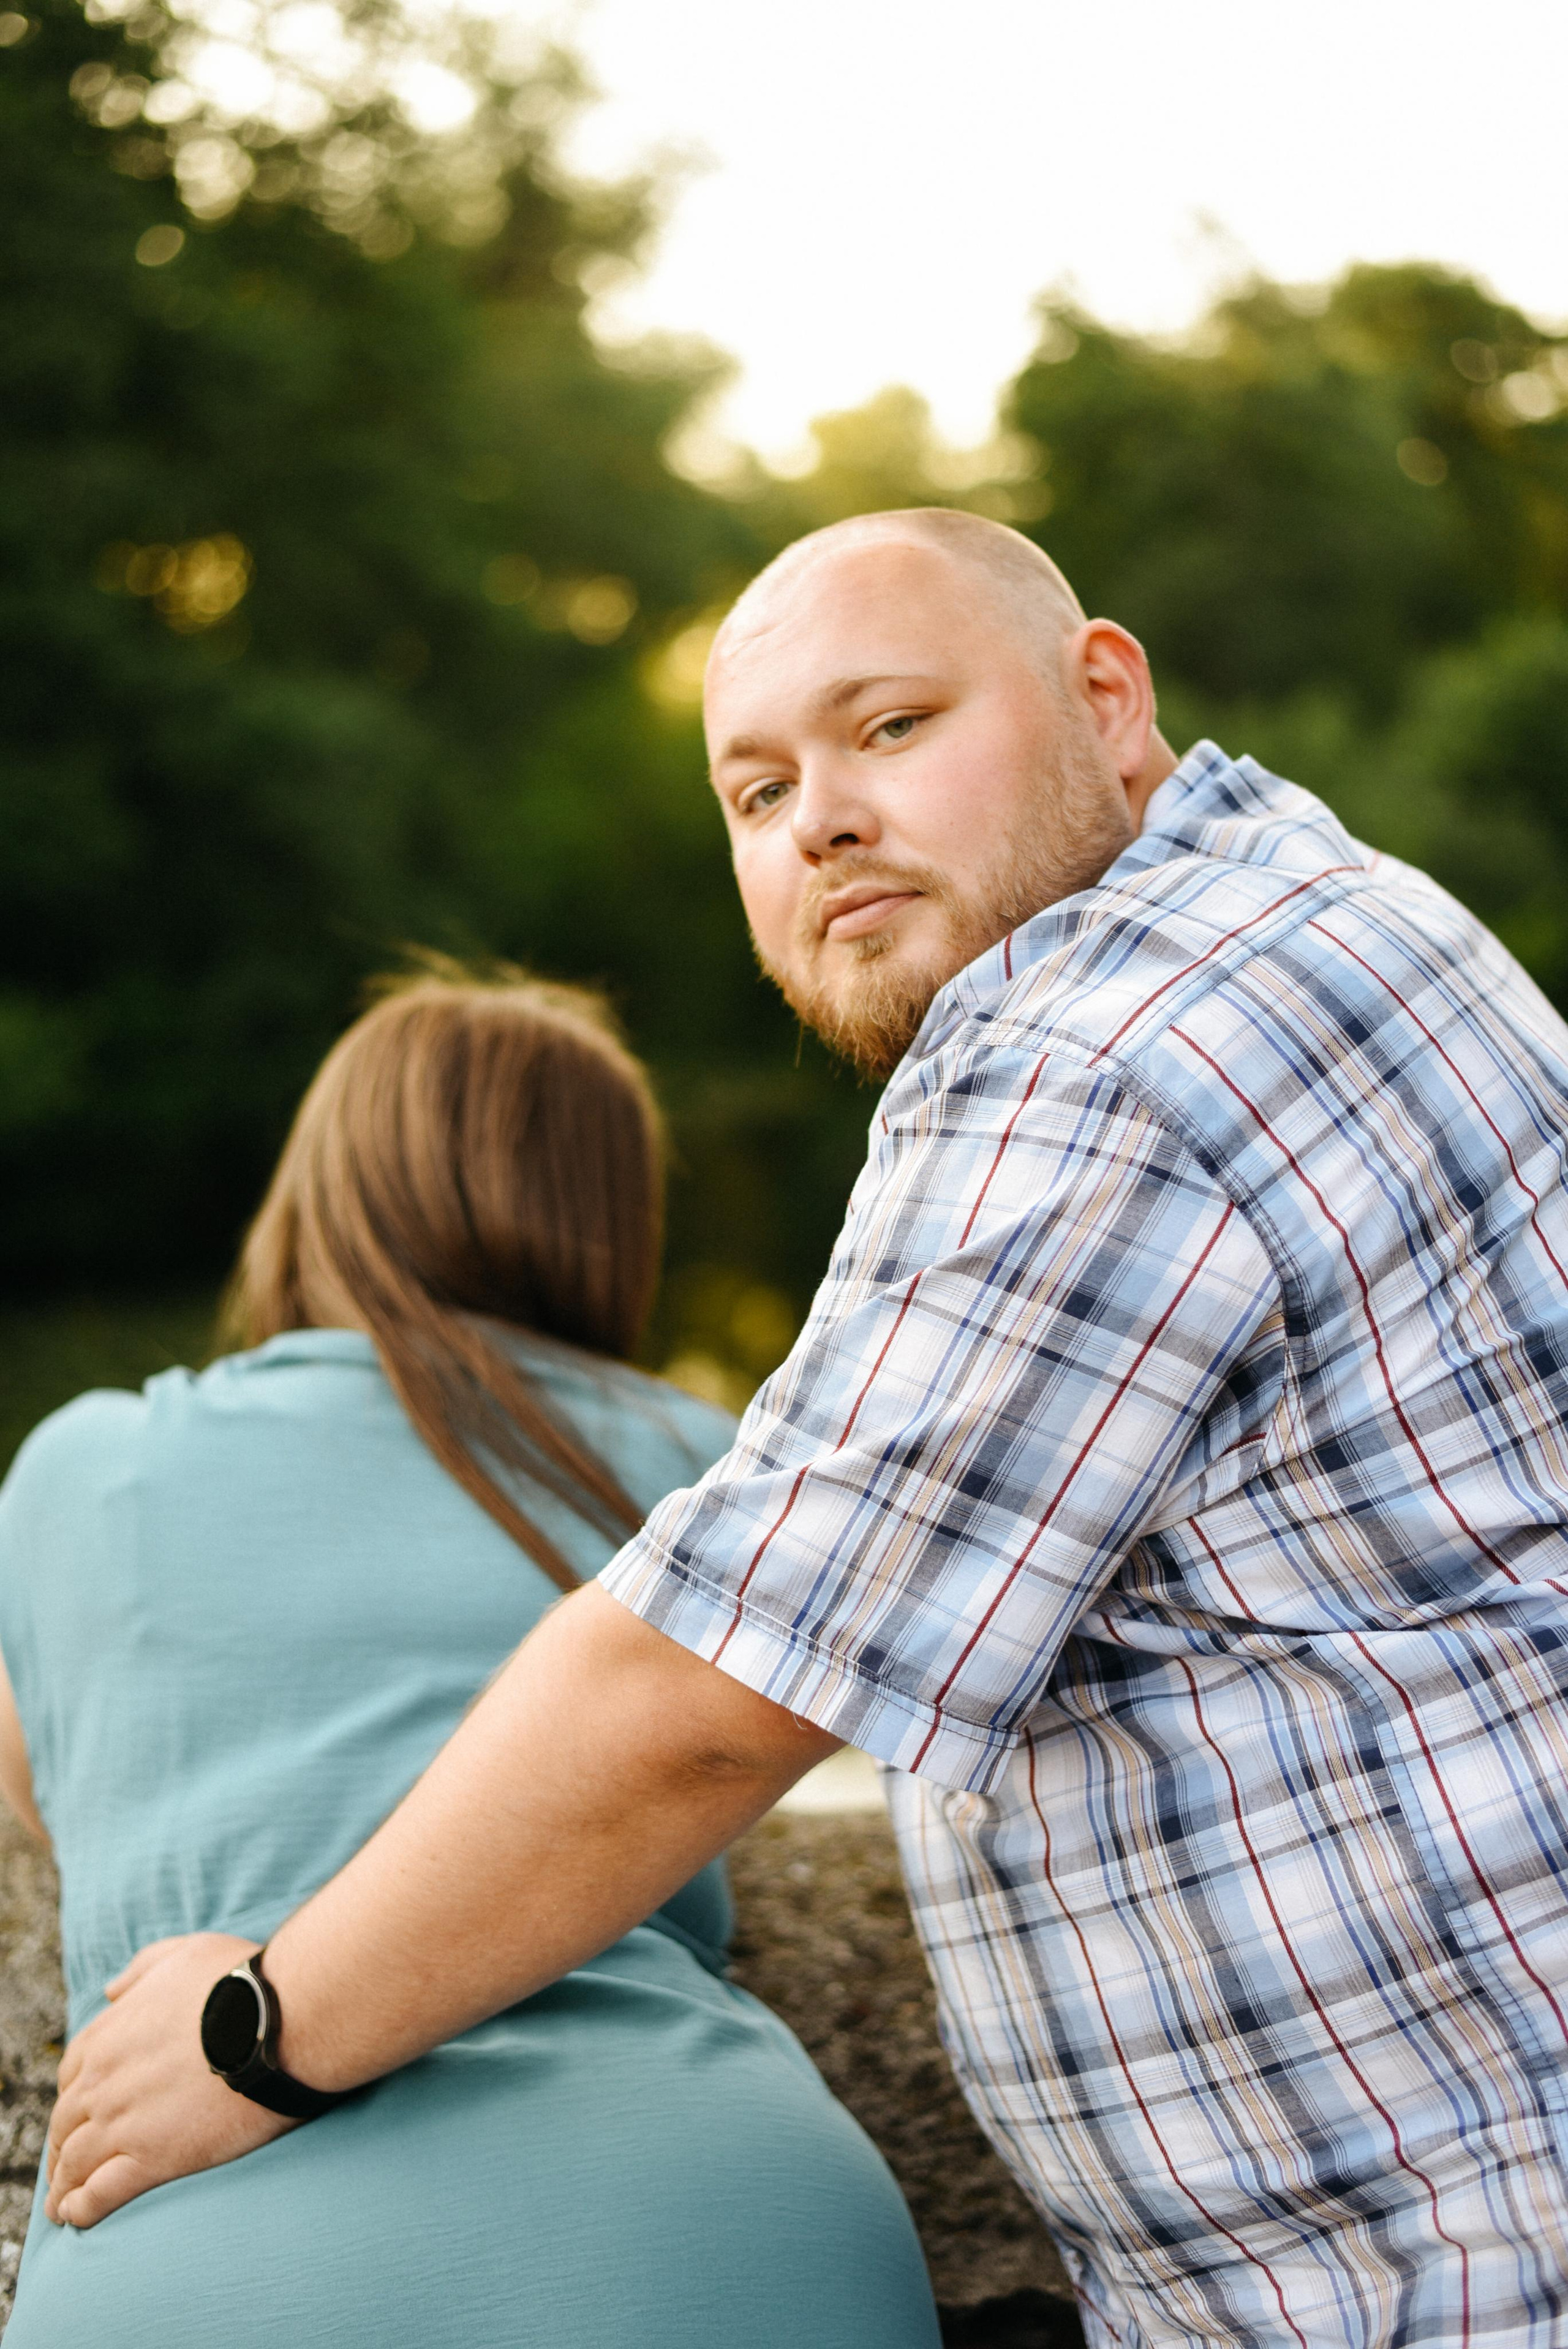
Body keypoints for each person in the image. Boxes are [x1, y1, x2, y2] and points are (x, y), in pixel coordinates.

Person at [44, 505, 1568, 2347]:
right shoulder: (1319, 908)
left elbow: (709, 1691)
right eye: (755, 793)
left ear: (1107, 698)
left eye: (893, 729)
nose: (820, 817)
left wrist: (264, 2028)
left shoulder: (1100, 1053)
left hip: (1467, 2263)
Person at [0, 967, 942, 2348]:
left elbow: (41, 1782)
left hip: (208, 2235)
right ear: (610, 1223)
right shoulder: (706, 1466)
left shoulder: (85, 1466)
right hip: (713, 2223)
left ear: (322, 1190)